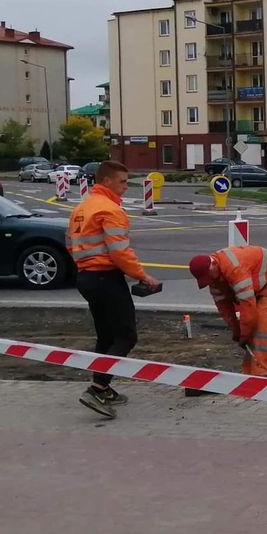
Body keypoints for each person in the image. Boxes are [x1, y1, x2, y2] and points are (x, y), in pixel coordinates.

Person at [66, 160, 160, 419]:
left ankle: (104, 387)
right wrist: (143, 276)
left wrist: (84, 265)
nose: (126, 187)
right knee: (126, 336)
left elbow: (69, 243)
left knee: (106, 336)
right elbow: (120, 252)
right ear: (107, 181)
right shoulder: (110, 210)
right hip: (106, 278)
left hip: (86, 277)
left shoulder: (81, 208)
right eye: (122, 182)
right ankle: (96, 389)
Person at [188, 246, 267, 378]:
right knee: (251, 330)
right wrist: (236, 329)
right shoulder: (213, 278)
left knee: (261, 327)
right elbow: (224, 308)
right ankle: (249, 372)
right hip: (258, 282)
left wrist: (244, 334)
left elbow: (248, 307)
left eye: (209, 277)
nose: (210, 281)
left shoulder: (235, 269)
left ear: (213, 264)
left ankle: (260, 375)